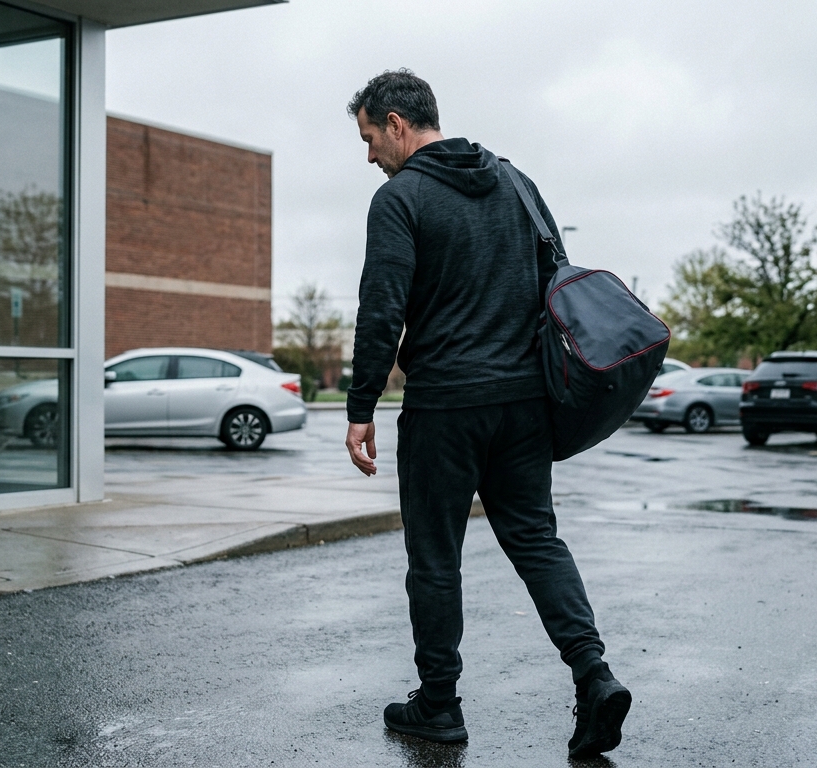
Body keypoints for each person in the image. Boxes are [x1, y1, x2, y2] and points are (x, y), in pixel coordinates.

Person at [343, 69, 632, 758]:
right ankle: (594, 675)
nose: (369, 156)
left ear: (396, 123)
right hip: (524, 404)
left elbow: (381, 311)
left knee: (435, 558)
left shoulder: (400, 200)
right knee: (537, 541)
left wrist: (361, 409)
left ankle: (438, 704)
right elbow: (556, 279)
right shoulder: (516, 183)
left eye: (369, 139)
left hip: (445, 406)